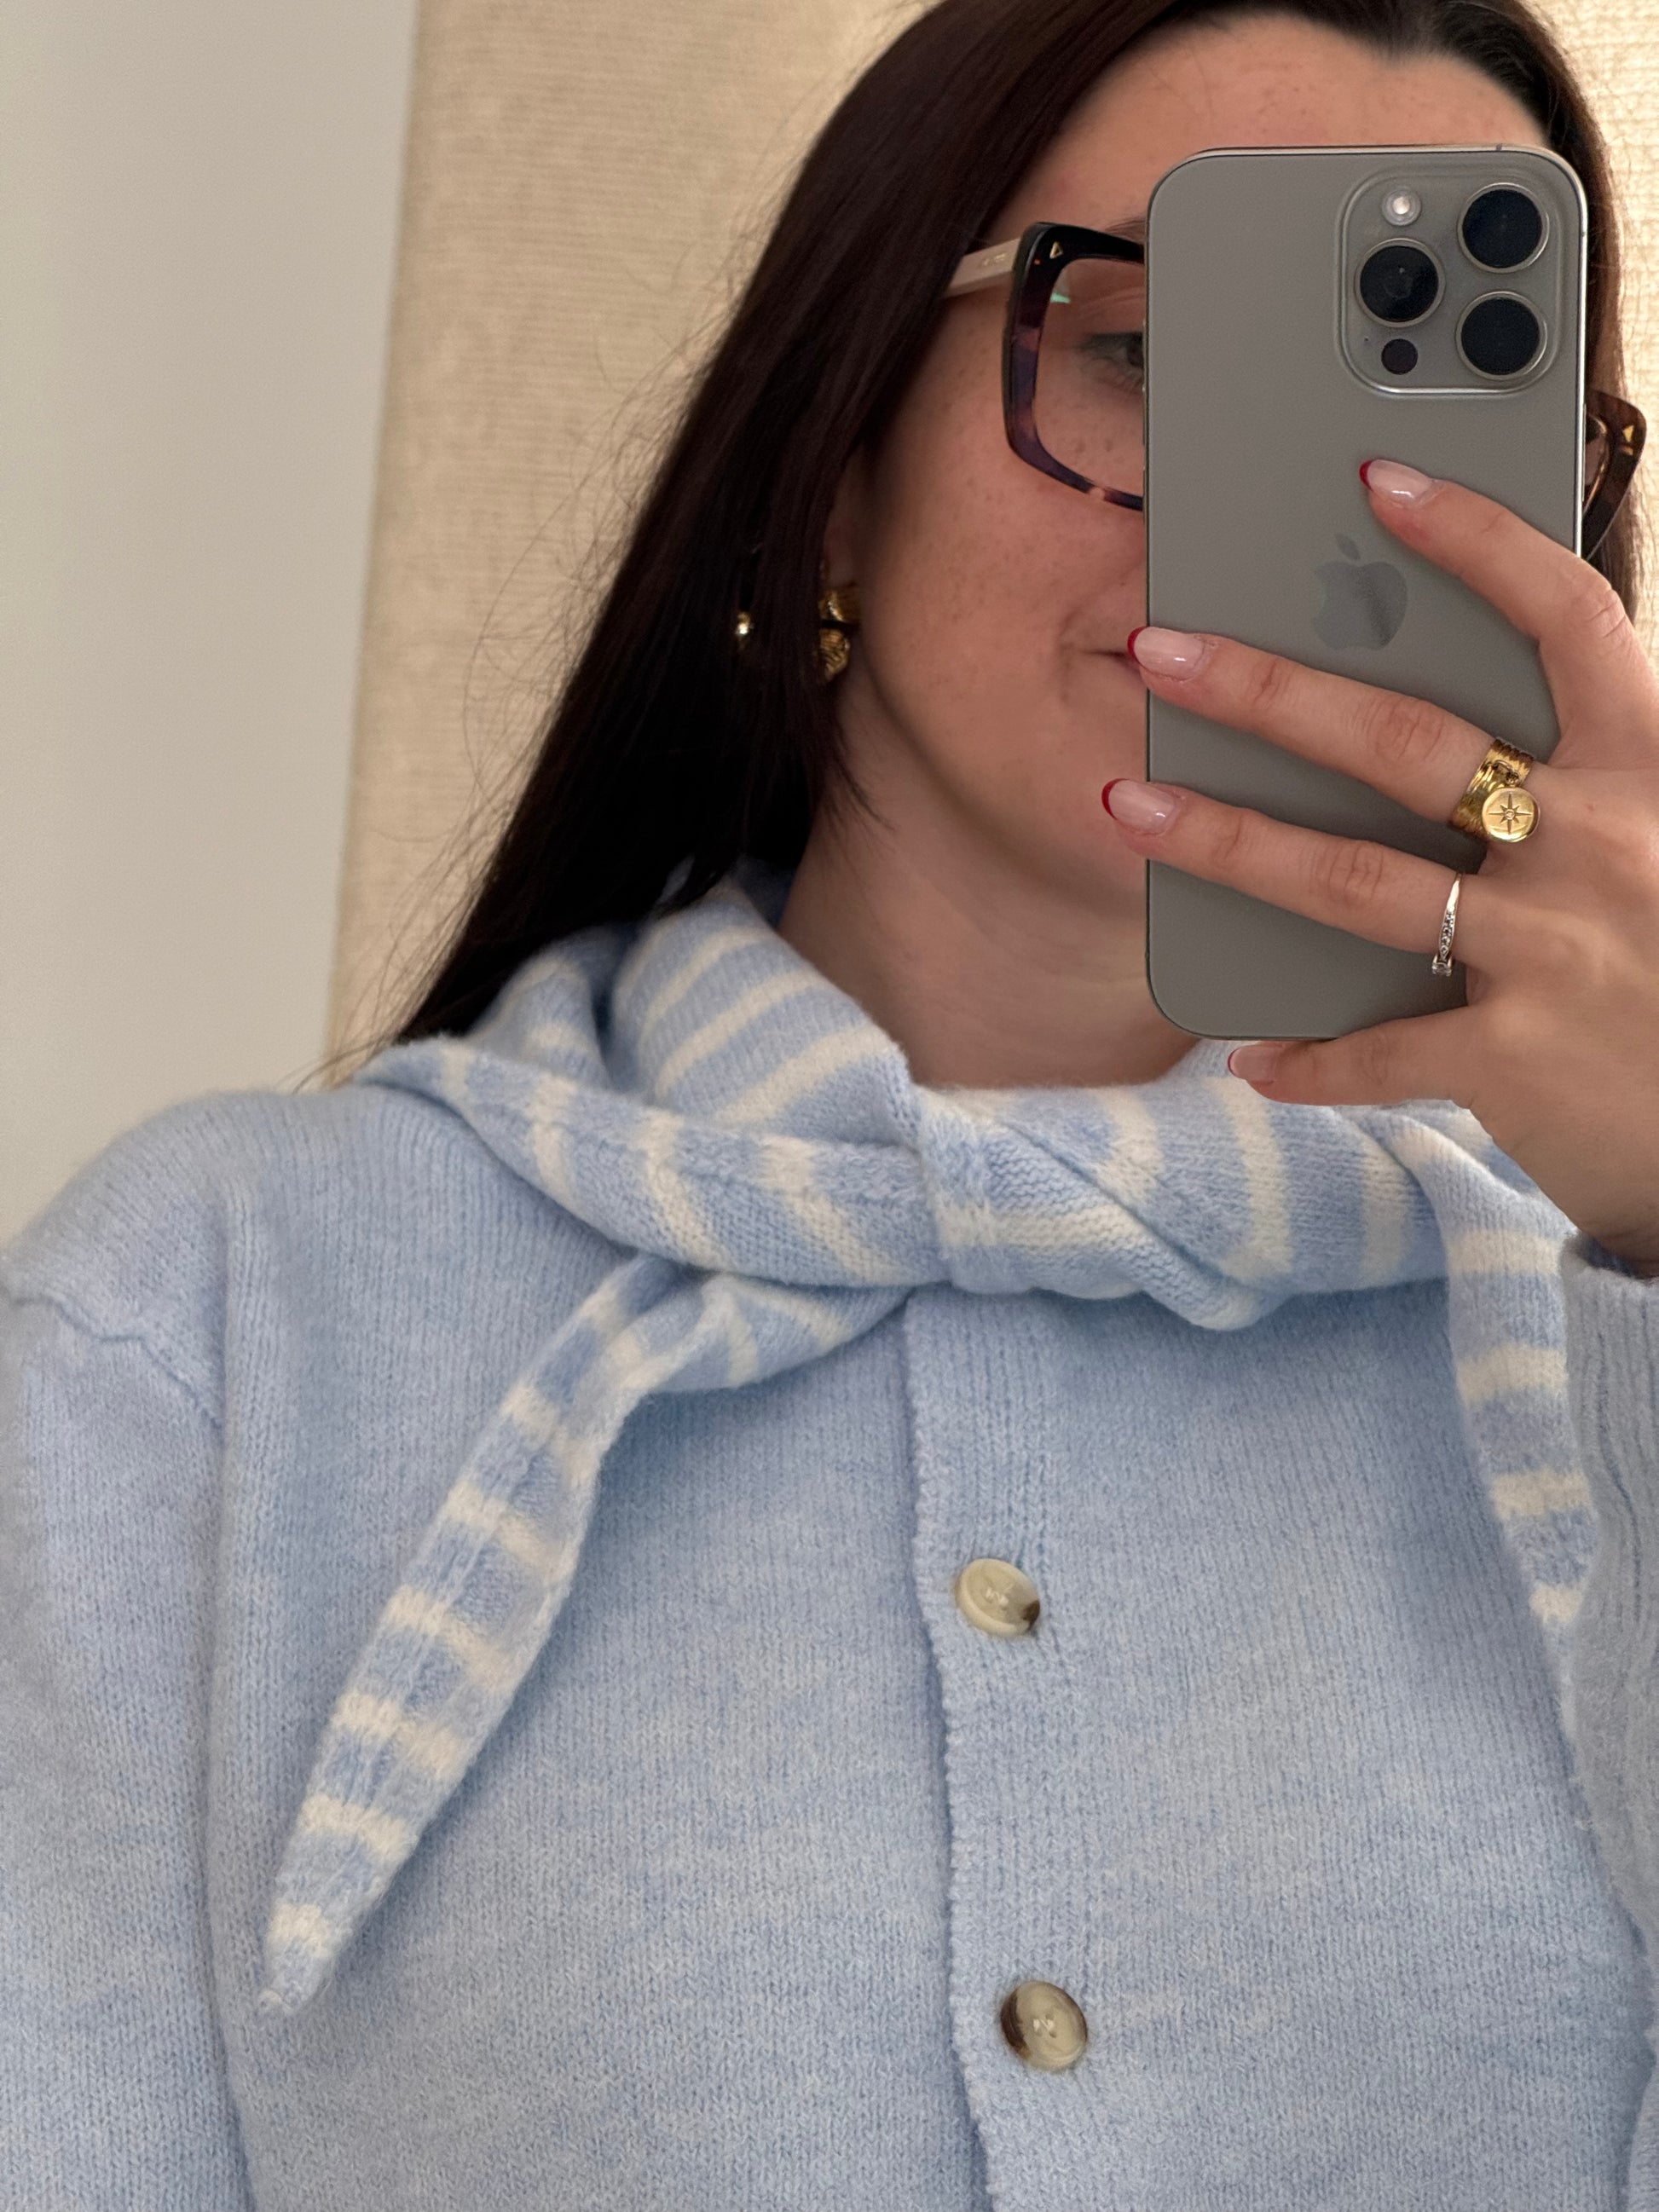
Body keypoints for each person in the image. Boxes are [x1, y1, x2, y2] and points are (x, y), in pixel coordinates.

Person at [5, 0, 1659, 2203]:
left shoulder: (1598, 1316)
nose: (1287, 513)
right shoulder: (200, 1333)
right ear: (840, 441)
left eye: (1429, 412)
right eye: (1143, 354)